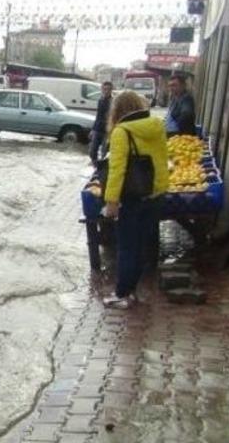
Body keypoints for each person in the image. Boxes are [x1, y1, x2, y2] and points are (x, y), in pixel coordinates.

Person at [102, 91, 169, 309]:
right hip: (155, 195)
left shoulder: (122, 132)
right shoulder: (157, 125)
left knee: (127, 247)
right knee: (141, 246)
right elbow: (162, 160)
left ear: (118, 110)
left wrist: (111, 201)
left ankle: (122, 294)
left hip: (133, 197)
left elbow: (117, 170)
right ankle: (131, 290)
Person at [89, 82, 114, 165]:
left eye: (108, 89)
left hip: (107, 130)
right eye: (104, 89)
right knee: (92, 150)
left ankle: (101, 170)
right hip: (98, 128)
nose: (106, 91)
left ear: (111, 90)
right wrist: (93, 129)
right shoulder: (100, 100)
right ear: (102, 90)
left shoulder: (113, 101)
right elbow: (98, 115)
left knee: (104, 151)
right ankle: (95, 165)